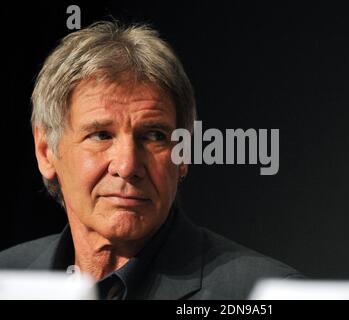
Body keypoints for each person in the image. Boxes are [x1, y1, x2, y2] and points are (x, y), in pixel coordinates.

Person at [0, 21, 302, 299]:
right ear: (45, 151)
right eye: (101, 135)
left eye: (154, 135)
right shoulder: (7, 276)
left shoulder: (260, 294)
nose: (128, 165)